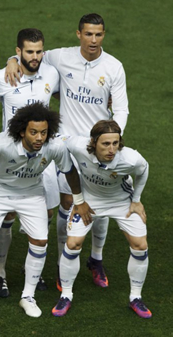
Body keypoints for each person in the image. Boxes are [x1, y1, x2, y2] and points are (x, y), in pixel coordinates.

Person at [6, 13, 129, 290]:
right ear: (79, 34)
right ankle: (64, 263)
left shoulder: (114, 67)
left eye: (98, 34)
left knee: (98, 205)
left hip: (98, 147)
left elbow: (121, 108)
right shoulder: (61, 57)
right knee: (68, 203)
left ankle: (95, 259)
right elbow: (31, 56)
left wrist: (111, 136)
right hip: (65, 145)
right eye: (88, 34)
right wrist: (11, 60)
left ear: (104, 35)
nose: (93, 40)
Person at [0, 103, 92, 319]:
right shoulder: (0, 142)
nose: (39, 138)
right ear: (21, 131)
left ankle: (28, 296)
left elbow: (70, 171)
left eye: (43, 132)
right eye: (33, 132)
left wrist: (79, 200)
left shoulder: (54, 146)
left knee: (40, 241)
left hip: (32, 193)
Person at [0, 28, 60, 296]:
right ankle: (0, 273)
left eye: (39, 51)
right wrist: (9, 61)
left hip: (42, 158)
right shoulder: (3, 77)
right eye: (29, 51)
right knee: (6, 215)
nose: (35, 56)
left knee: (47, 212)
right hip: (10, 158)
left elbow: (64, 94)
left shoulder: (51, 74)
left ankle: (33, 271)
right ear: (18, 51)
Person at [52, 120, 151, 319]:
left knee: (140, 245)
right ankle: (66, 295)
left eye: (115, 143)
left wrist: (137, 200)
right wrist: (78, 199)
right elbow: (56, 141)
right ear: (94, 142)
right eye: (106, 144)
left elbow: (144, 169)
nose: (111, 149)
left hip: (121, 201)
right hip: (89, 201)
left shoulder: (130, 158)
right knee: (72, 243)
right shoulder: (78, 145)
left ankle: (135, 297)